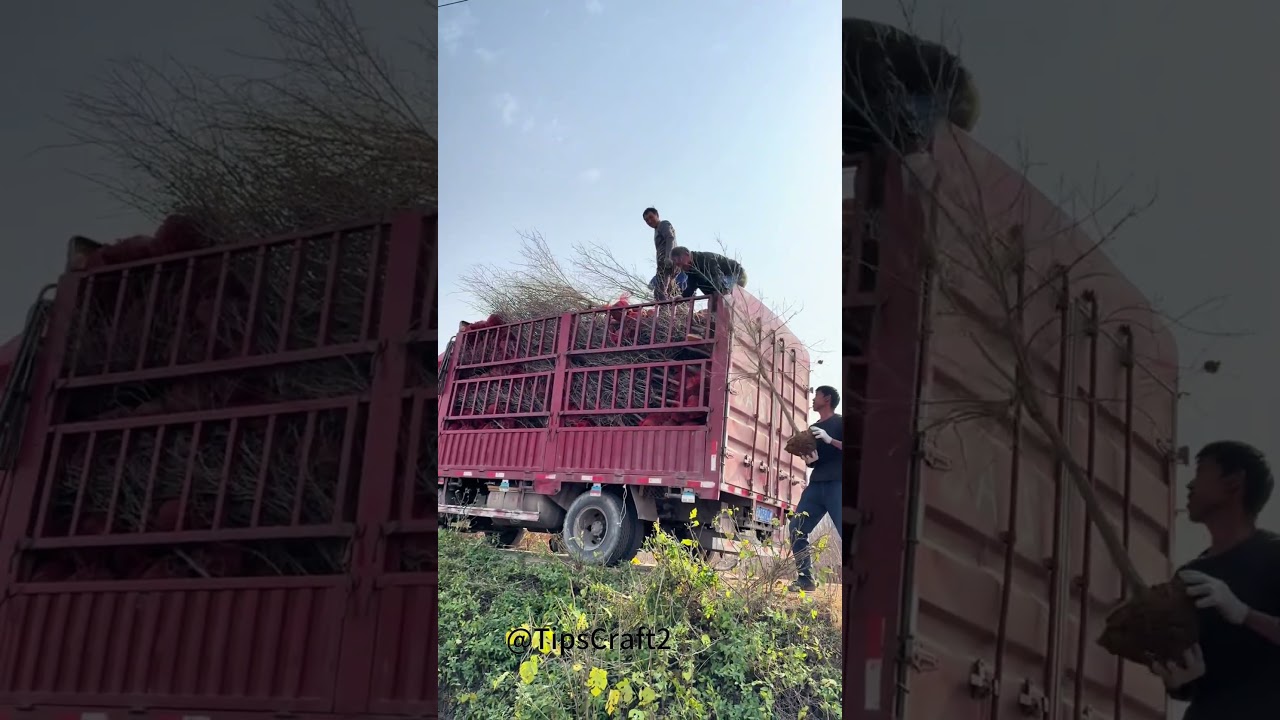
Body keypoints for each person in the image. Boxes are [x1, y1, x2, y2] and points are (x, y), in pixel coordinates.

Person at [1149, 440, 1280, 719]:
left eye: (1200, 473)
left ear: (1234, 483)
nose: (1189, 486)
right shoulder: (1189, 575)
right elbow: (1188, 686)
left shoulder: (1275, 556)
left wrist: (1244, 613)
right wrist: (1178, 680)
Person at [788, 386, 843, 592]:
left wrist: (830, 440)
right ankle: (805, 580)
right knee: (796, 529)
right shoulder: (812, 427)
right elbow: (813, 462)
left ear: (827, 398)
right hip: (816, 485)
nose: (813, 399)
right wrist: (808, 457)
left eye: (816, 396)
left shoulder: (840, 422)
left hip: (838, 485)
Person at [669, 246, 748, 298]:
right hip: (720, 281)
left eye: (680, 263)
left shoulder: (706, 259)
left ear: (687, 255)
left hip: (737, 275)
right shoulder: (689, 268)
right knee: (711, 294)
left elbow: (717, 276)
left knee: (722, 295)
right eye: (678, 265)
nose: (681, 267)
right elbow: (692, 285)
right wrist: (683, 297)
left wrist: (721, 292)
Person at [642, 207, 678, 301]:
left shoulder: (663, 224)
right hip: (664, 262)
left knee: (660, 291)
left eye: (651, 217)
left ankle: (663, 312)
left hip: (667, 262)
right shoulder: (657, 229)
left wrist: (668, 257)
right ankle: (669, 312)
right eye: (646, 220)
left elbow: (670, 238)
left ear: (657, 215)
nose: (649, 221)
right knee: (669, 290)